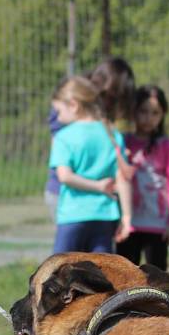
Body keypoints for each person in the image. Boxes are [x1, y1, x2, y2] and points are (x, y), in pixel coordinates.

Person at [44, 57, 136, 220]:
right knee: (71, 246)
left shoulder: (103, 113)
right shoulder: (70, 100)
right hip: (68, 197)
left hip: (100, 199)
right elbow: (60, 149)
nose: (116, 105)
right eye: (116, 98)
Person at [50, 75, 127, 253]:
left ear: (74, 105)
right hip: (105, 215)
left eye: (59, 111)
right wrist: (127, 217)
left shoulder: (64, 136)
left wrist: (98, 186)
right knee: (100, 277)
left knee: (61, 274)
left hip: (73, 215)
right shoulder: (113, 134)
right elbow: (122, 178)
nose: (59, 119)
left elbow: (65, 176)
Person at [115, 85, 169, 269]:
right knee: (124, 278)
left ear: (162, 115)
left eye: (155, 113)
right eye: (143, 111)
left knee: (158, 280)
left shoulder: (166, 145)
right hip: (129, 225)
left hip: (157, 224)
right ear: (134, 111)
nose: (149, 118)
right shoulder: (124, 141)